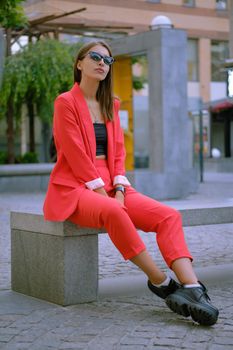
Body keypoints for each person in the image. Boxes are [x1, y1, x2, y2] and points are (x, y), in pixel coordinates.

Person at [43, 41, 219, 326]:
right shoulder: (65, 102)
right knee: (114, 212)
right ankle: (162, 283)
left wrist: (121, 189)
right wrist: (105, 195)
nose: (102, 63)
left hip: (113, 182)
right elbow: (74, 154)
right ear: (79, 64)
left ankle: (192, 288)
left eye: (107, 60)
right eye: (95, 57)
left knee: (168, 216)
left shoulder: (110, 103)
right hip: (75, 186)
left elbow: (119, 152)